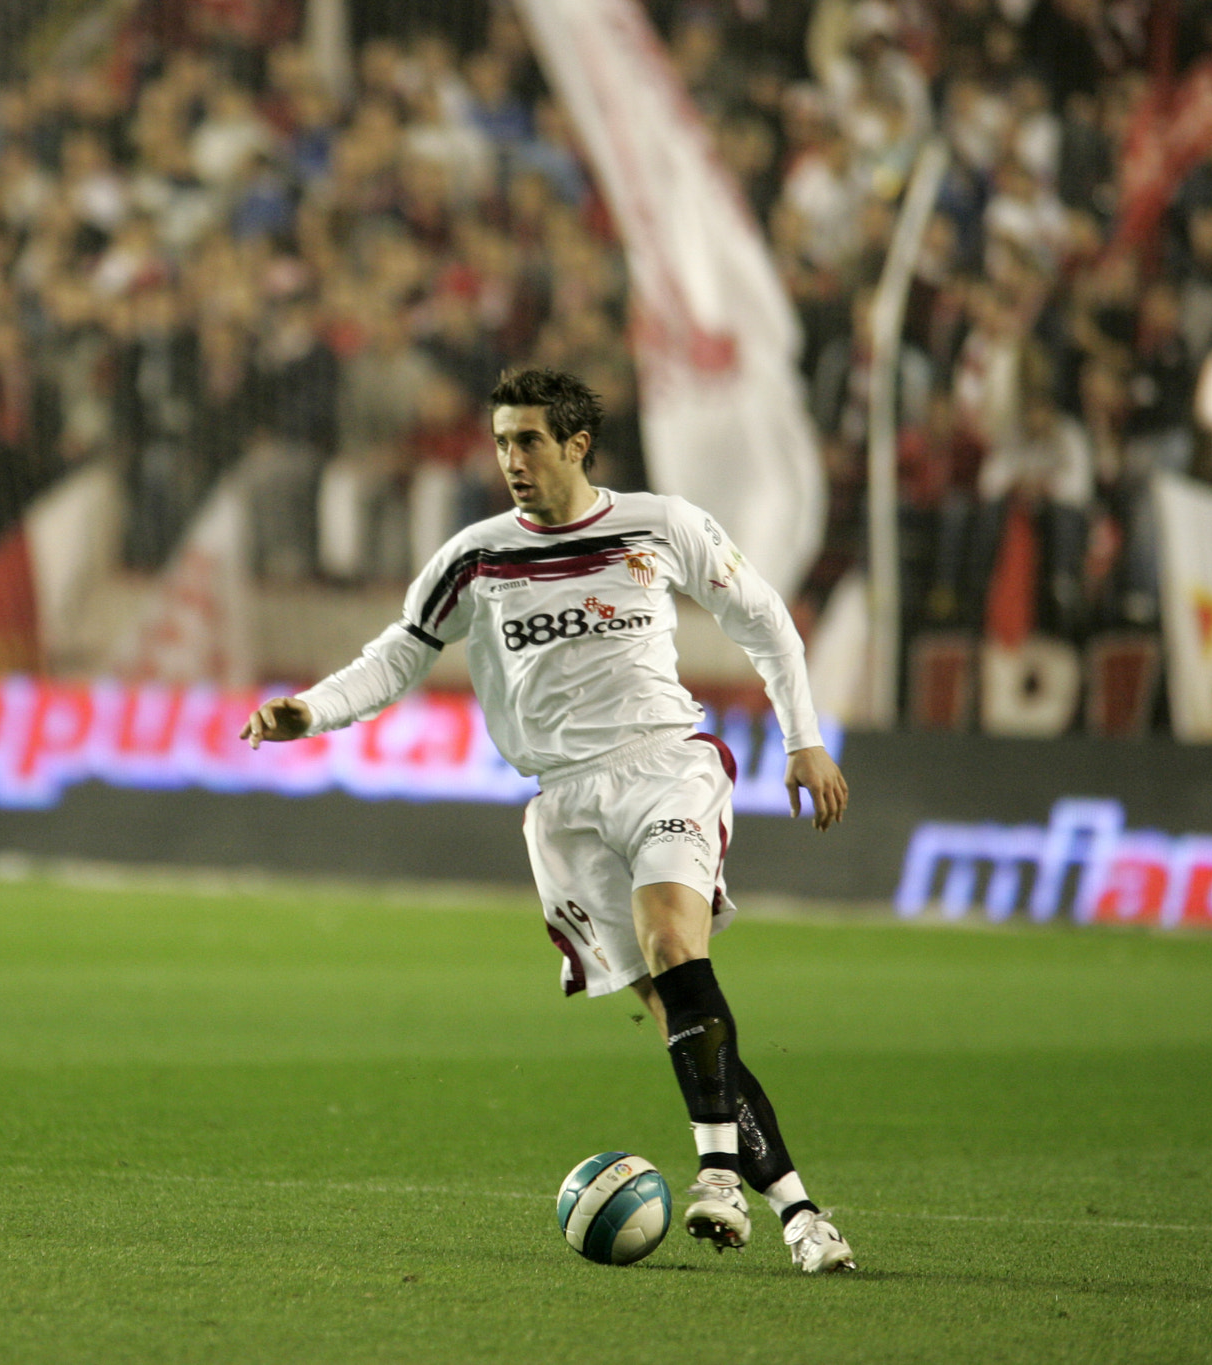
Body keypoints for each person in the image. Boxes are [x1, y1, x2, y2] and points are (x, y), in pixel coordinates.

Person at [240, 368, 857, 1275]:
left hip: (663, 768)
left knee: (674, 943)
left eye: (528, 440)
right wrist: (311, 711)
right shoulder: (476, 555)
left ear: (575, 444)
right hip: (563, 805)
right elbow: (397, 655)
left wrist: (805, 740)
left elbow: (765, 622)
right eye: (500, 442)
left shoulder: (661, 524)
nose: (511, 460)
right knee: (678, 1012)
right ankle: (801, 1214)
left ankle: (718, 1173)